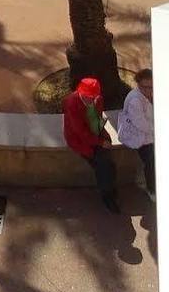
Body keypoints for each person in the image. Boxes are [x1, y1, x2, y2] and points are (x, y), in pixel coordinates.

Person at [63, 75, 120, 212]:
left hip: (95, 134)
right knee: (104, 166)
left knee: (106, 165)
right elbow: (80, 132)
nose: (90, 100)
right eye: (87, 96)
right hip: (81, 141)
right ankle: (107, 196)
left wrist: (101, 133)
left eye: (93, 97)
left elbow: (98, 117)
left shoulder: (98, 99)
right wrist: (101, 142)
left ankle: (108, 189)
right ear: (80, 92)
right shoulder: (71, 103)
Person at [116, 68, 155, 197]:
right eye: (145, 87)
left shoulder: (150, 94)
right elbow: (141, 125)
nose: (149, 90)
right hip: (138, 136)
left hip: (150, 131)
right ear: (138, 85)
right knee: (152, 160)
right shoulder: (135, 101)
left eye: (151, 86)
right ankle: (152, 189)